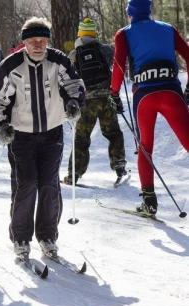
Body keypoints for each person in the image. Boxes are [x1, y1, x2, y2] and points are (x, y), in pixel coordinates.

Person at [0, 17, 85, 258]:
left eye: (43, 41)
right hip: (21, 135)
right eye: (33, 41)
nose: (39, 45)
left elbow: (74, 85)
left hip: (52, 132)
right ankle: (21, 237)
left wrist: (74, 102)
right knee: (26, 183)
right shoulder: (10, 66)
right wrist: (1, 125)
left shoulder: (58, 61)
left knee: (48, 184)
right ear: (24, 42)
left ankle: (47, 235)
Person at [110, 0, 189, 215]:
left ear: (130, 14)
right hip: (172, 92)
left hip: (144, 96)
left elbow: (118, 65)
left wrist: (114, 93)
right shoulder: (168, 29)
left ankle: (149, 202)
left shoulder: (124, 33)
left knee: (145, 147)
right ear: (149, 11)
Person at [63, 18, 127, 185]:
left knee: (81, 138)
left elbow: (67, 78)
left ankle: (73, 174)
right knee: (113, 133)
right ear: (94, 34)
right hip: (106, 99)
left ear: (80, 35)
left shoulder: (74, 54)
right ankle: (119, 166)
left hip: (86, 102)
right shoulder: (105, 49)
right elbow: (120, 59)